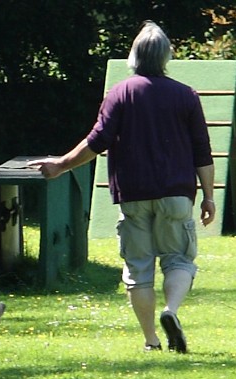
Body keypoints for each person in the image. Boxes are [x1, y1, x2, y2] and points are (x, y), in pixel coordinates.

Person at [29, 21, 215, 353]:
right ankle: (170, 311)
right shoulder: (186, 95)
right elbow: (202, 150)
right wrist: (210, 197)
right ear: (166, 56)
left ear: (134, 56)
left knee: (139, 269)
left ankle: (151, 341)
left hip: (133, 195)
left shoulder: (121, 92)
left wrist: (60, 165)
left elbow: (96, 142)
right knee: (179, 260)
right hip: (177, 194)